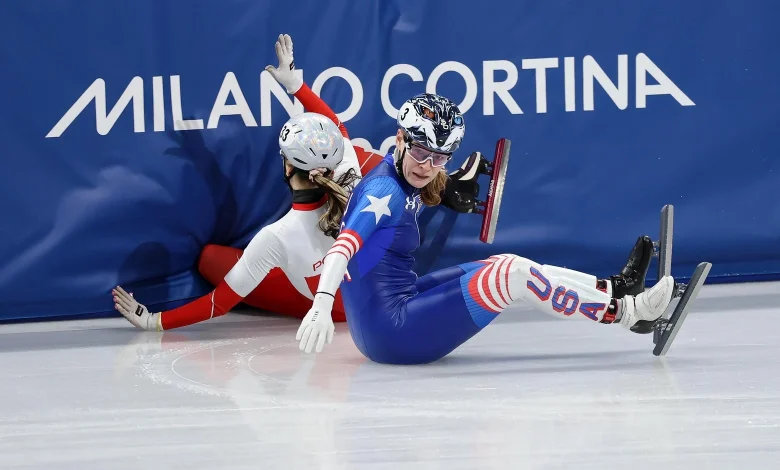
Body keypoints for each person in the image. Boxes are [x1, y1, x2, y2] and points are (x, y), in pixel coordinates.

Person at [113, 34, 490, 330]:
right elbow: (338, 131)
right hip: (376, 290)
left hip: (339, 311)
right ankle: (446, 185)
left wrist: (155, 321)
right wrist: (297, 87)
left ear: (287, 168)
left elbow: (220, 301)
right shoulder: (360, 171)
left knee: (212, 259)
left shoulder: (275, 238)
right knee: (375, 160)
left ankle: (444, 186)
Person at [295, 92, 676, 363]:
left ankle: (614, 291)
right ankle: (629, 313)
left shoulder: (399, 171)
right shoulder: (384, 191)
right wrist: (322, 304)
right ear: (399, 139)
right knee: (511, 276)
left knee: (505, 262)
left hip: (389, 315)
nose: (427, 166)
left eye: (439, 157)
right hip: (393, 332)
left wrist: (297, 86)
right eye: (420, 152)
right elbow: (342, 249)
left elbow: (338, 128)